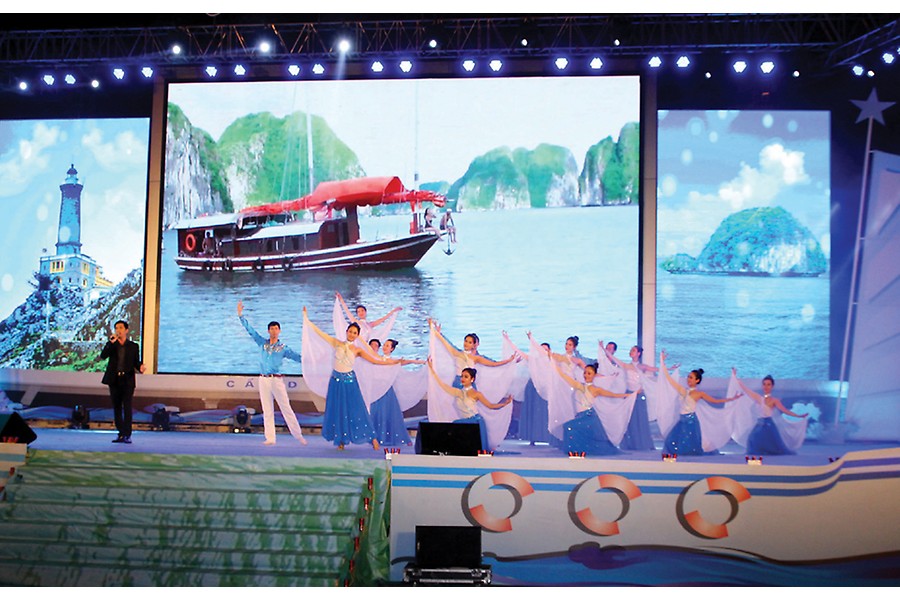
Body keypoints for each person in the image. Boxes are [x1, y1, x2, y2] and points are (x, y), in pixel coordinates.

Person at [303, 307, 401, 450]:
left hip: (349, 382)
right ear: (347, 332)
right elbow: (321, 334)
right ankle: (341, 441)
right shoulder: (337, 343)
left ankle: (372, 438)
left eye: (355, 333)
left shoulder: (358, 350)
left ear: (357, 335)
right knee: (338, 410)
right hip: (335, 381)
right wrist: (306, 319)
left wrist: (394, 363)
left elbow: (375, 361)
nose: (352, 334)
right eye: (350, 331)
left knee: (357, 410)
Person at [237, 301, 307, 447]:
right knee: (267, 409)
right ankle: (270, 438)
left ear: (279, 331)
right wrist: (240, 316)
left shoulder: (283, 348)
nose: (274, 331)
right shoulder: (262, 343)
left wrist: (310, 360)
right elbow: (251, 331)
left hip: (276, 380)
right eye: (272, 329)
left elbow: (297, 357)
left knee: (285, 407)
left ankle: (298, 435)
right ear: (268, 331)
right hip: (263, 379)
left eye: (276, 329)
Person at [659, 352, 742, 455]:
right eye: (688, 377)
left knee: (688, 446)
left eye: (691, 377)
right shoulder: (683, 390)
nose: (688, 379)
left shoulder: (699, 394)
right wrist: (663, 363)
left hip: (691, 422)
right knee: (671, 443)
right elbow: (669, 379)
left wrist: (732, 399)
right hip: (682, 421)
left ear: (697, 380)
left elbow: (715, 401)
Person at [427, 360, 513, 451]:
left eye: (466, 377)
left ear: (472, 379)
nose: (462, 378)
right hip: (466, 422)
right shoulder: (458, 392)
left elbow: (490, 406)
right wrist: (432, 369)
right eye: (462, 376)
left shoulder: (476, 394)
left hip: (475, 421)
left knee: (456, 424)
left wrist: (505, 403)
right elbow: (442, 385)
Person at [552, 361, 630, 456]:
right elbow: (565, 377)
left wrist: (630, 395)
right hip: (580, 416)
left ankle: (576, 451)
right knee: (570, 428)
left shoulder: (596, 389)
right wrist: (555, 365)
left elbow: (613, 395)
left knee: (568, 426)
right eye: (585, 372)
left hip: (588, 417)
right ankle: (576, 451)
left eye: (589, 373)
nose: (586, 375)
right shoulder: (579, 385)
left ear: (594, 375)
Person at [732, 369, 808, 455]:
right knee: (752, 441)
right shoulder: (759, 398)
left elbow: (785, 411)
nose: (766, 387)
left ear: (772, 386)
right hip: (759, 424)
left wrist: (799, 416)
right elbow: (746, 389)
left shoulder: (774, 400)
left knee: (773, 448)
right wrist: (735, 377)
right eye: (764, 384)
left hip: (769, 426)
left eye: (768, 384)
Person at [430, 319, 519, 388]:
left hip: (469, 383)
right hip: (458, 381)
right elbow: (446, 343)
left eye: (470, 342)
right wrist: (438, 332)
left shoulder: (476, 358)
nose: (466, 344)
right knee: (458, 404)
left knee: (470, 405)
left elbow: (494, 364)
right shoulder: (456, 352)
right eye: (466, 341)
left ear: (474, 345)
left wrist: (509, 361)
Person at [368, 339, 424, 447]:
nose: (385, 347)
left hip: (387, 390)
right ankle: (375, 437)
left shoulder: (393, 361)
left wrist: (421, 362)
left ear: (392, 349)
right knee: (377, 413)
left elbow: (407, 361)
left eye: (387, 346)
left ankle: (387, 437)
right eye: (384, 345)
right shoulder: (377, 358)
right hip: (377, 390)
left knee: (389, 413)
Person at [100, 320, 146, 444]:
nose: (118, 330)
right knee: (117, 407)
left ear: (126, 330)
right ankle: (120, 432)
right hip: (114, 380)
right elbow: (103, 356)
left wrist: (140, 367)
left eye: (121, 328)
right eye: (116, 328)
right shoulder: (112, 344)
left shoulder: (133, 346)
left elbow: (135, 362)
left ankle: (127, 434)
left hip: (127, 380)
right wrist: (110, 343)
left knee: (127, 407)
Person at [335, 291, 401, 342]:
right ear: (357, 314)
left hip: (366, 346)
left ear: (365, 312)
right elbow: (347, 312)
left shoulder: (370, 324)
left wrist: (393, 312)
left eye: (362, 311)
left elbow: (383, 319)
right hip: (358, 345)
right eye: (358, 312)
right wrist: (341, 300)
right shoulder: (356, 322)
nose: (361, 313)